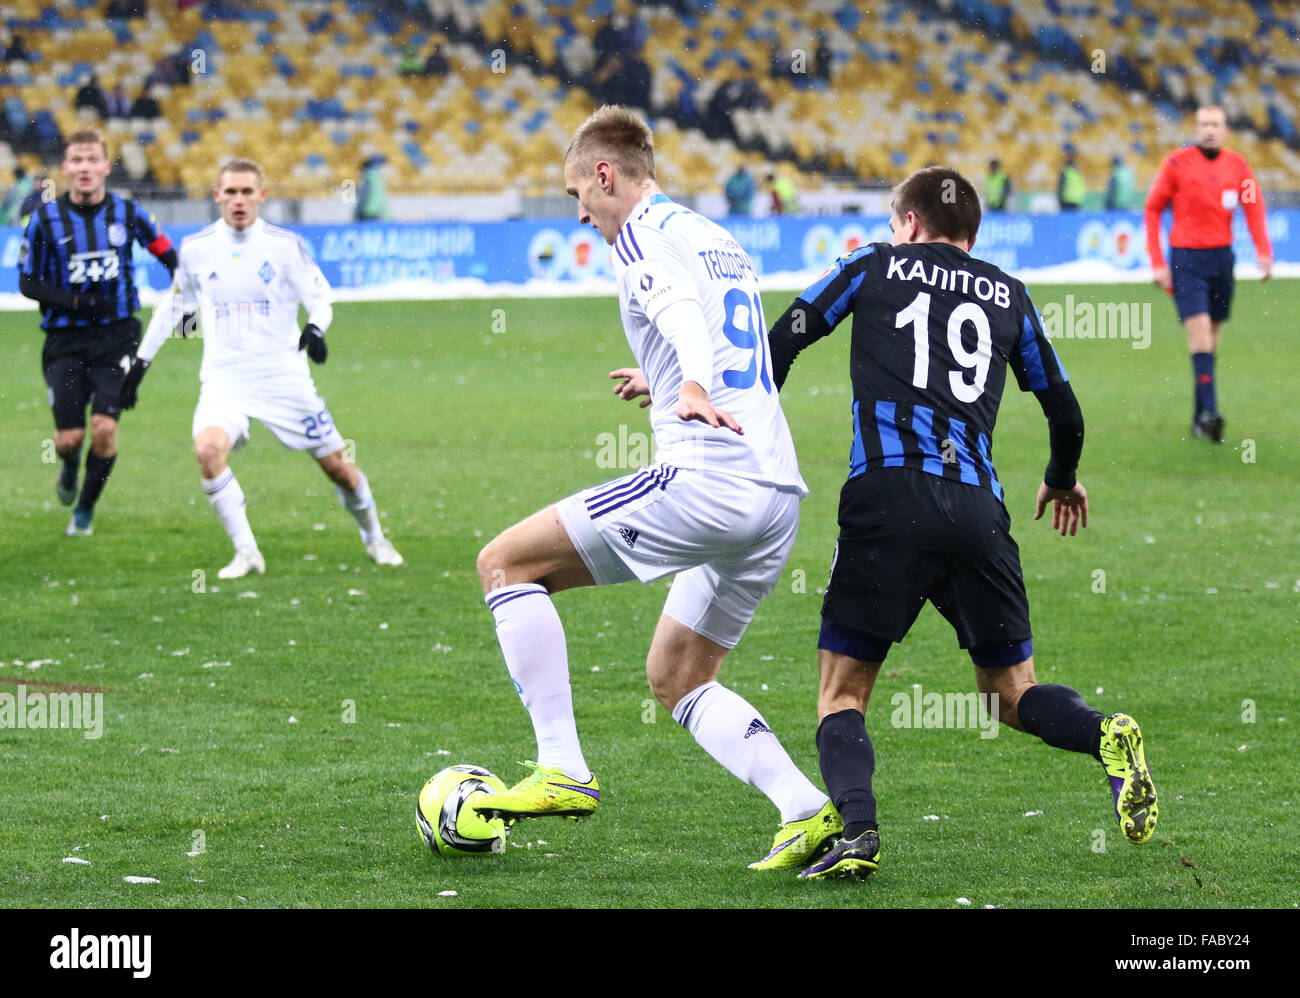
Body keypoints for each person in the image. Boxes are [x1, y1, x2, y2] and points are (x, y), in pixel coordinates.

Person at [470, 106, 840, 870]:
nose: (580, 213)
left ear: (607, 174)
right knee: (677, 675)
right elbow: (728, 330)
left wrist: (691, 381)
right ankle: (804, 808)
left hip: (707, 478)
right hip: (775, 497)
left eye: (579, 192)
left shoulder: (637, 232)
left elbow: (676, 312)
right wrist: (668, 374)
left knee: (506, 564)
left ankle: (562, 769)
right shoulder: (714, 236)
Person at [765, 166, 1157, 879]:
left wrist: (737, 418)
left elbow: (784, 338)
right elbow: (1065, 413)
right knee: (1012, 693)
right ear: (971, 236)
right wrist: (1062, 479)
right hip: (978, 509)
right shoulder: (1007, 292)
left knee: (842, 692)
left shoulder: (871, 263)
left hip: (887, 496)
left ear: (908, 223)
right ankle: (1105, 733)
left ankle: (858, 833)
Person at [128, 157, 404, 576]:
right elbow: (177, 308)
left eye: (246, 192)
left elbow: (320, 298)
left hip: (284, 379)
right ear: (218, 196)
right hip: (225, 380)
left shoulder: (285, 246)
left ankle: (374, 538)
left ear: (261, 196)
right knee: (208, 451)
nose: (239, 200)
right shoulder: (198, 248)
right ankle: (246, 552)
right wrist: (140, 364)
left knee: (341, 470)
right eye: (231, 192)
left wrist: (314, 328)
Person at [17, 128, 178, 535]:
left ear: (106, 167)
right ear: (66, 168)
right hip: (65, 342)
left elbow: (168, 255)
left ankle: (84, 510)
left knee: (104, 430)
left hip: (117, 336)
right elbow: (28, 283)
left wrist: (189, 290)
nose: (85, 168)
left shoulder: (128, 213)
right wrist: (76, 303)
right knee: (69, 438)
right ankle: (70, 465)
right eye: (77, 160)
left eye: (93, 160)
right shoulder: (44, 221)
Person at [1145, 105, 1271, 443]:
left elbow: (1253, 206)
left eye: (1215, 124)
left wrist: (1263, 251)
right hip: (1186, 259)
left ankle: (1198, 418)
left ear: (1226, 129)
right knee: (1200, 337)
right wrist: (1157, 262)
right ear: (1196, 128)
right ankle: (1213, 414)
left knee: (1211, 342)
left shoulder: (1237, 165)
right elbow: (1153, 208)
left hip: (1221, 259)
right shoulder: (1176, 163)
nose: (1209, 130)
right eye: (1203, 124)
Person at [354, 156, 388, 222]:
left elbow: (362, 198)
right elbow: (381, 198)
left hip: (366, 213)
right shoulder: (376, 179)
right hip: (375, 212)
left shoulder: (367, 179)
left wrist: (357, 213)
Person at [1057, 144, 1084, 211]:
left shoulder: (1065, 172)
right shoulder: (1078, 172)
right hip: (1077, 200)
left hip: (1066, 201)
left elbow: (1061, 187)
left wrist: (1060, 200)